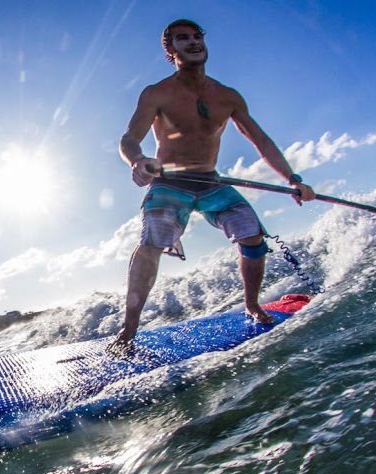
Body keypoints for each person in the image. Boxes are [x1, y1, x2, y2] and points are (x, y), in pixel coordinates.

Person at [109, 19, 316, 353]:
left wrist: (293, 179)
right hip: (170, 182)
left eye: (196, 37)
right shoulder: (157, 93)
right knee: (153, 240)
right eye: (182, 39)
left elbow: (261, 141)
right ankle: (128, 331)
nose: (193, 43)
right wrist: (137, 160)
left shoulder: (227, 96)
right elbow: (129, 138)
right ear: (170, 49)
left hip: (211, 182)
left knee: (251, 234)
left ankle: (252, 305)